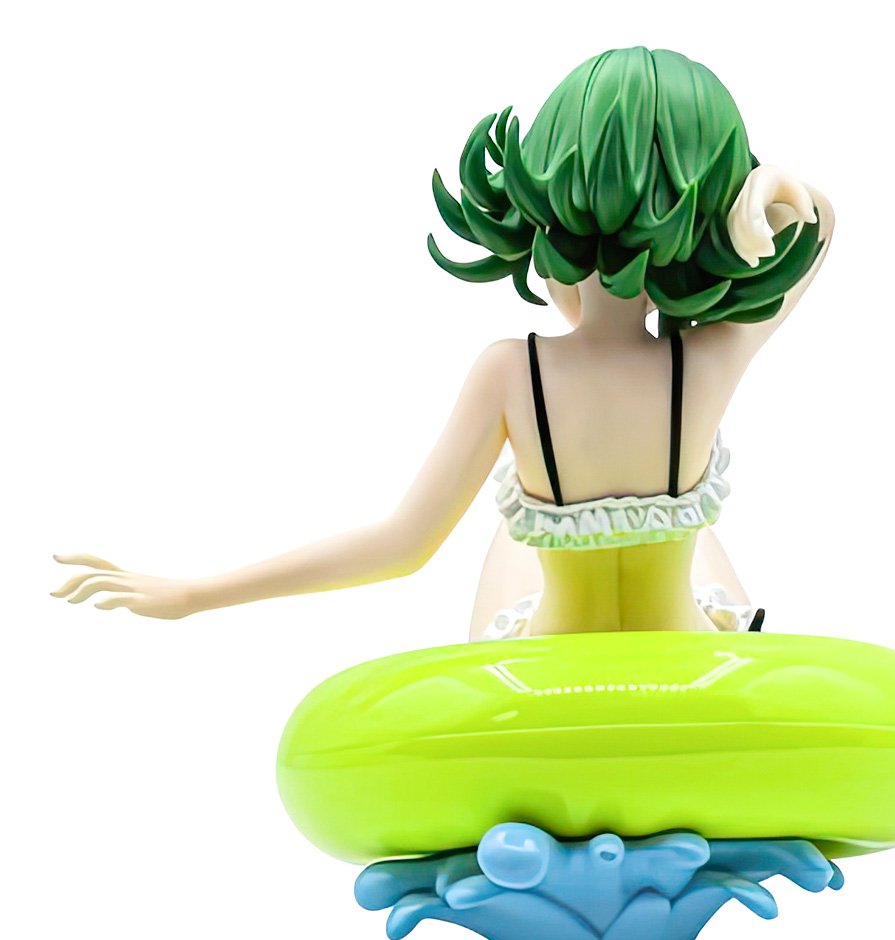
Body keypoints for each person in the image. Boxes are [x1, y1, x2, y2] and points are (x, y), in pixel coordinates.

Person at [51, 46, 834, 640]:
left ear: (542, 198)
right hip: (690, 656)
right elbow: (821, 225)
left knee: (510, 531)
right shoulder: (706, 361)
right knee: (694, 533)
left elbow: (402, 545)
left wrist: (194, 594)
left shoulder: (513, 372)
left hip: (549, 673)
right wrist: (764, 191)